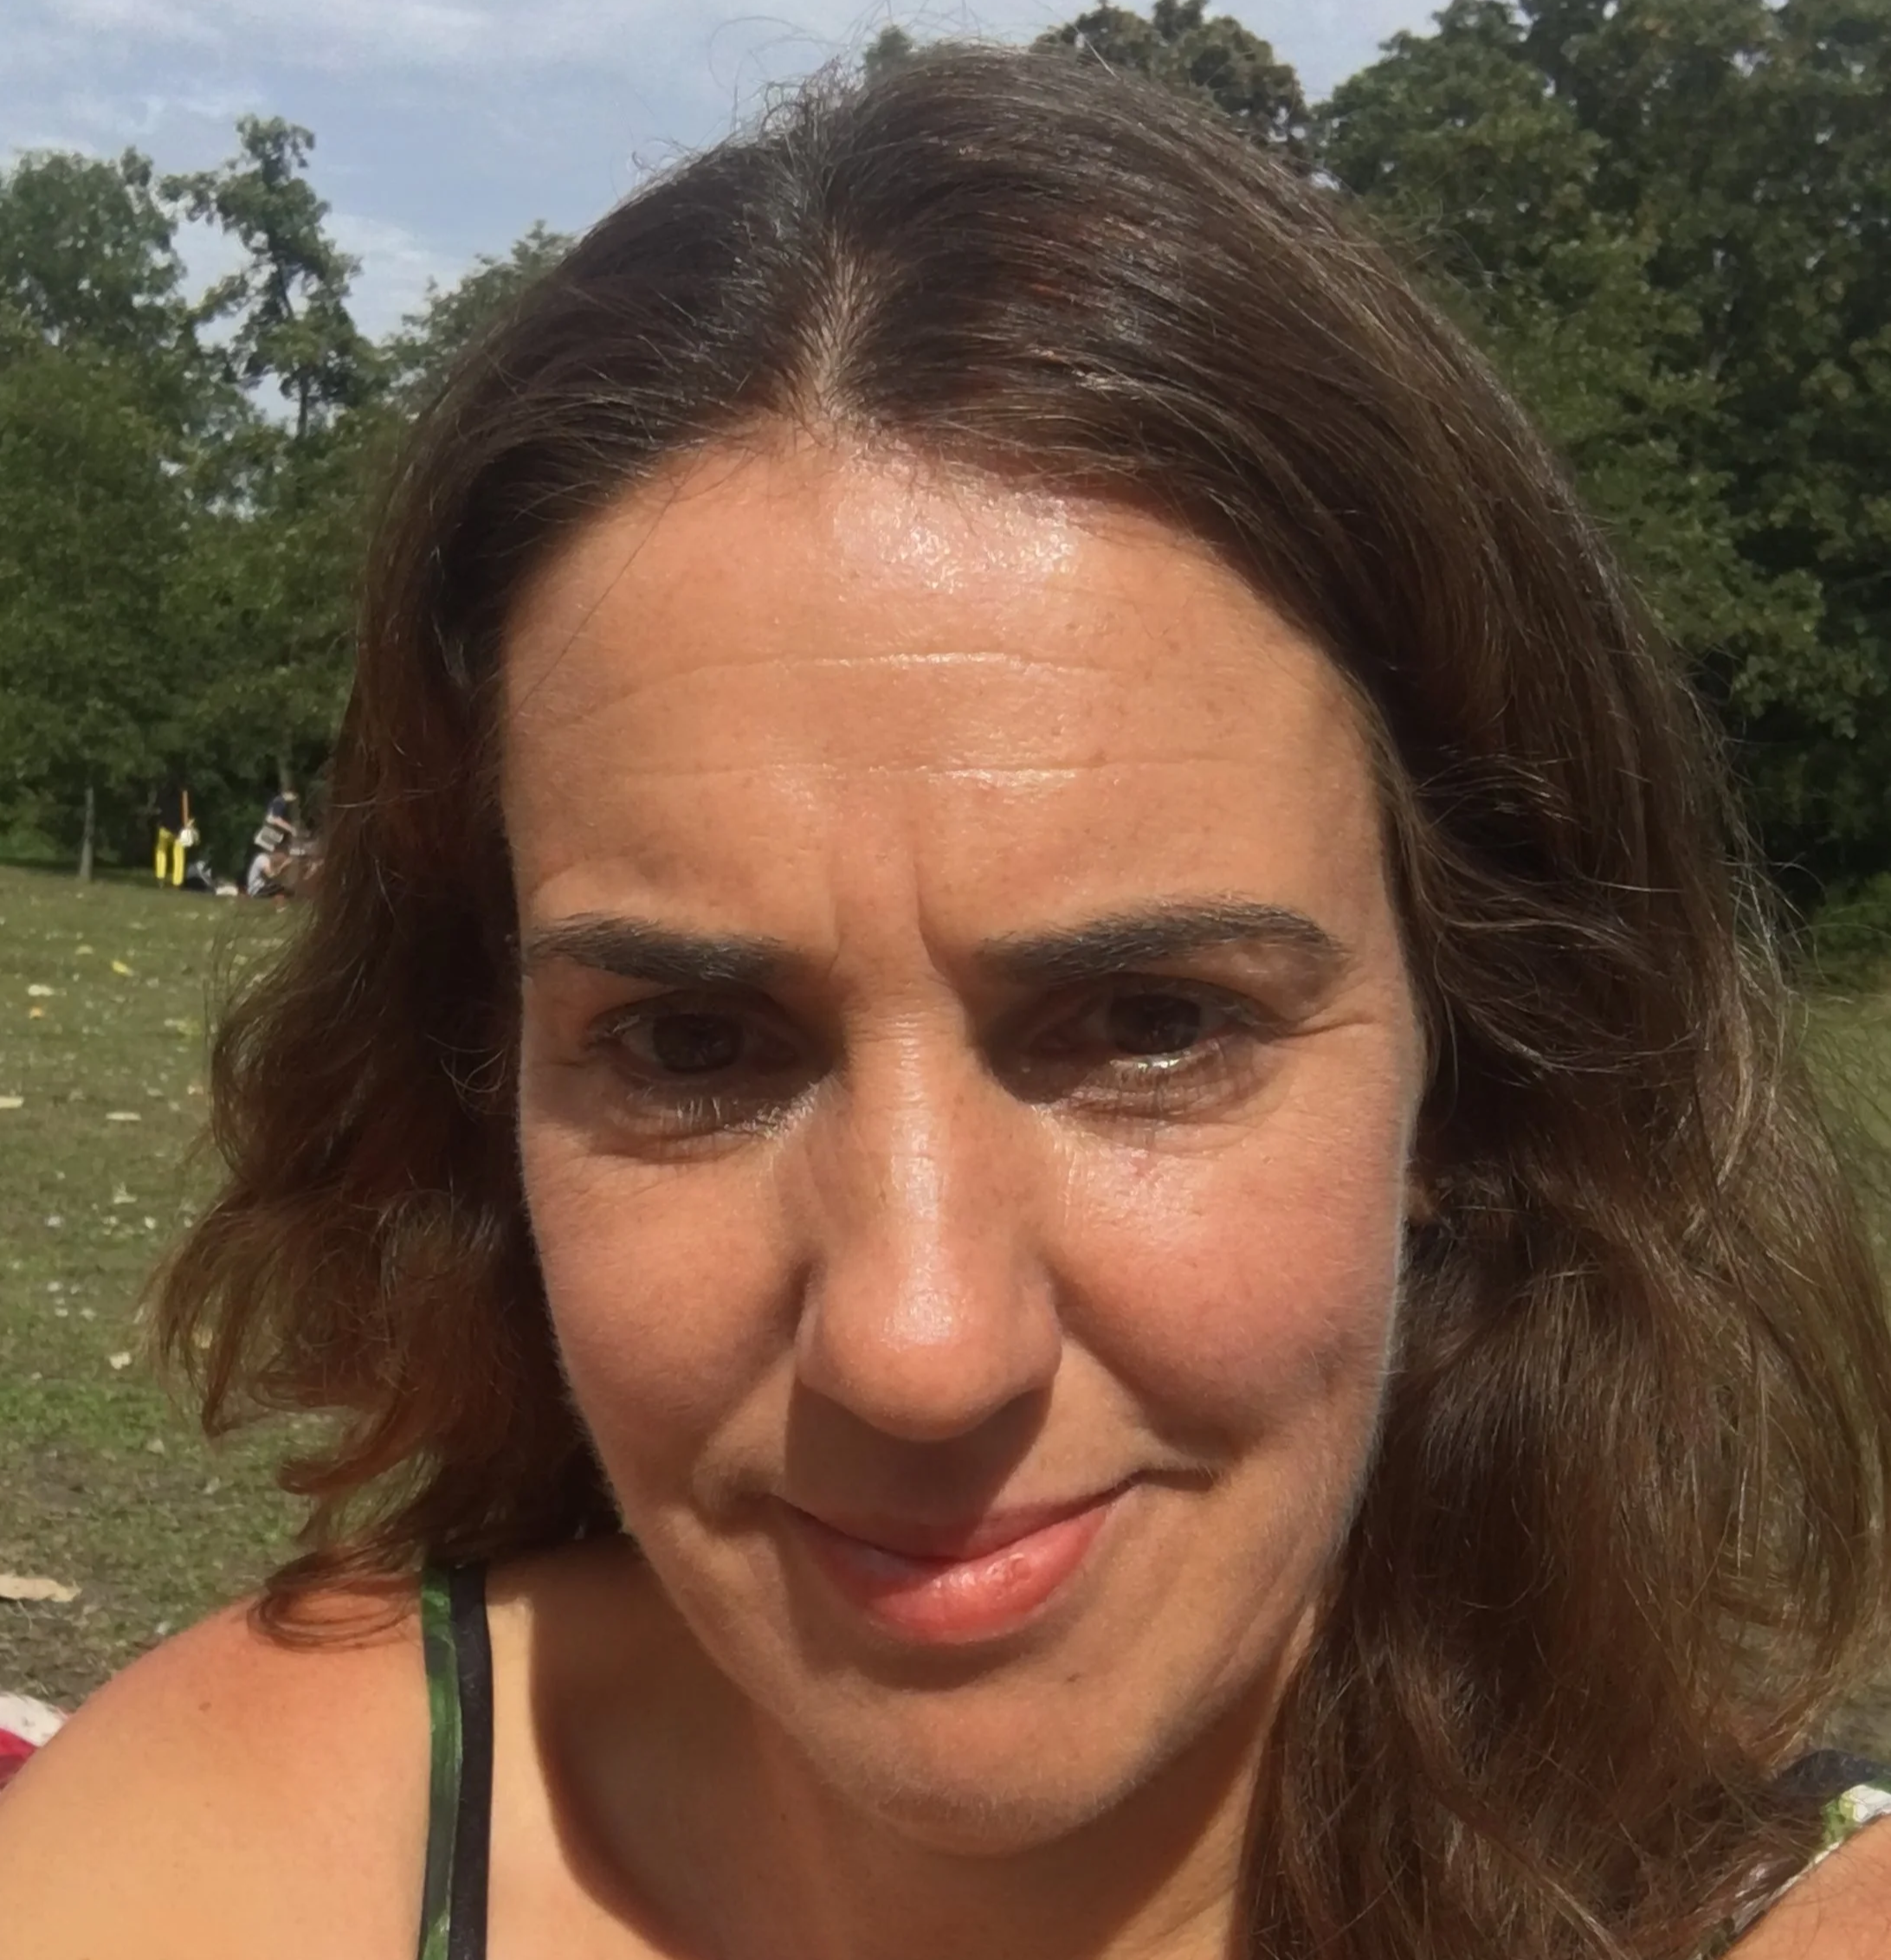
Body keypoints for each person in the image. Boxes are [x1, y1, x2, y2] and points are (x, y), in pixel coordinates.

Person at [2, 47, 1888, 1960]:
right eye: (690, 1043)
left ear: (1470, 1064)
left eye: (1154, 1022)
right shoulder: (238, 1862)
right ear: (484, 1083)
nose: (915, 1342)